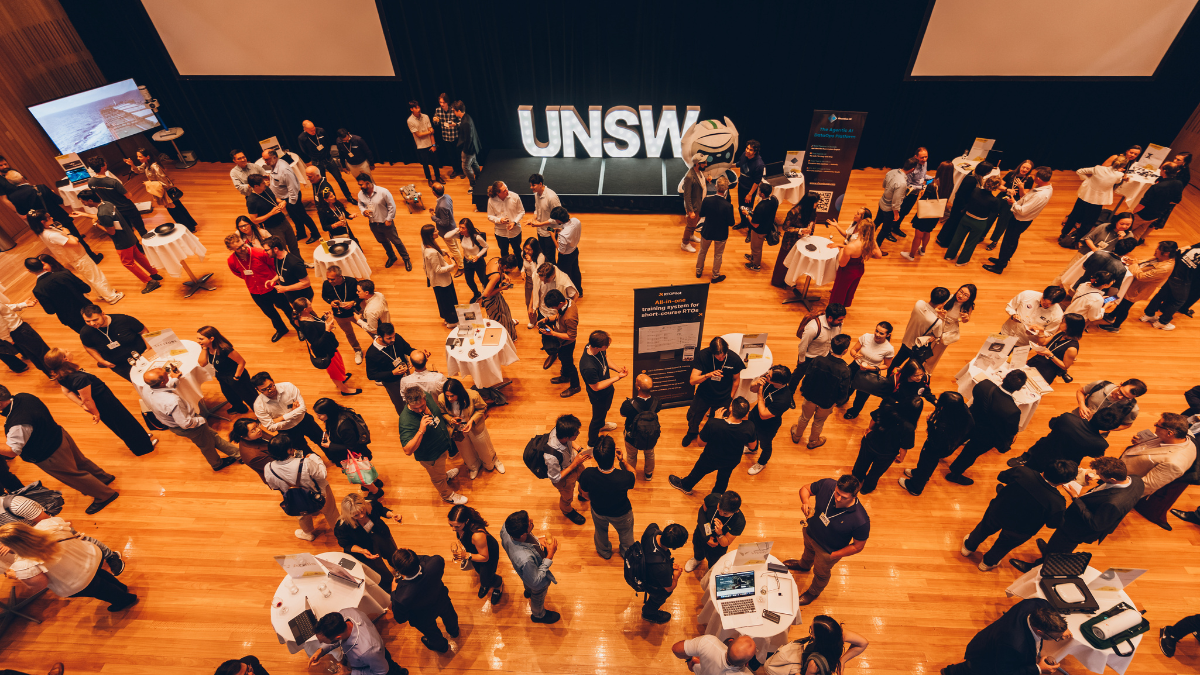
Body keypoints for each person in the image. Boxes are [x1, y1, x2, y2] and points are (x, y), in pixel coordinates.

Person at [1009, 456, 1144, 571]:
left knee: (1061, 549)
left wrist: (1075, 497)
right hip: (1075, 521)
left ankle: (1038, 568)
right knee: (1057, 544)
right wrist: (1096, 479)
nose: (1097, 475)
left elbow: (1095, 524)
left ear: (1113, 479)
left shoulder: (1113, 503)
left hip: (1077, 529)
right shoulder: (1136, 480)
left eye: (1099, 474)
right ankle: (1049, 550)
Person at [0, 387, 118, 513]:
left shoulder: (18, 423)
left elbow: (12, 451)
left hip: (49, 454)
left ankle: (104, 495)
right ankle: (103, 478)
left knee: (73, 476)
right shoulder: (24, 396)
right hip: (60, 436)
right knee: (81, 462)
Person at [962, 460, 1076, 572]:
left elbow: (1001, 477)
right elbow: (1052, 524)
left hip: (999, 511)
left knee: (983, 529)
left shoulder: (1022, 472)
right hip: (1021, 529)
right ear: (1064, 482)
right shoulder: (1058, 502)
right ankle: (987, 563)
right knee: (1004, 546)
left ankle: (968, 547)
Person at [0, 521, 137, 612]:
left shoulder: (24, 564)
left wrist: (16, 575)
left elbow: (40, 584)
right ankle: (121, 588)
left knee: (100, 589)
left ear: (14, 545)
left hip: (76, 580)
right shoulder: (49, 526)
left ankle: (125, 600)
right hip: (88, 557)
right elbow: (71, 529)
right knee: (100, 575)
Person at [43, 349, 154, 457]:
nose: (68, 350)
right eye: (65, 352)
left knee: (124, 421)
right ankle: (143, 447)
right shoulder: (79, 378)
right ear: (65, 359)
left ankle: (142, 437)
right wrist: (94, 412)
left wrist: (81, 405)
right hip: (103, 401)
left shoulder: (62, 374)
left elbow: (66, 391)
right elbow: (87, 399)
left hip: (102, 400)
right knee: (123, 423)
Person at [145, 366, 241, 472]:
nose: (169, 374)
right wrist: (201, 420)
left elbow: (165, 389)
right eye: (166, 375)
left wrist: (175, 379)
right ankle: (217, 464)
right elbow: (186, 423)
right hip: (191, 426)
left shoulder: (150, 391)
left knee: (213, 437)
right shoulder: (173, 401)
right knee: (207, 445)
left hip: (177, 425)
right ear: (163, 382)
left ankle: (239, 455)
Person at [941, 598, 1068, 675]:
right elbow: (1004, 672)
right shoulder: (1015, 645)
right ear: (1040, 631)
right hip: (987, 655)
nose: (1059, 638)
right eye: (1056, 638)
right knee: (972, 669)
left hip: (991, 639)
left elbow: (1048, 606)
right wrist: (1038, 668)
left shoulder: (1036, 605)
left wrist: (1062, 627)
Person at [795, 475, 868, 604]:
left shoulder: (861, 520)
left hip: (828, 551)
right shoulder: (827, 484)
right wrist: (805, 501)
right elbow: (805, 489)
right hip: (810, 532)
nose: (838, 499)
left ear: (854, 496)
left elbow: (858, 546)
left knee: (821, 573)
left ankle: (813, 592)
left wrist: (834, 555)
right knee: (808, 552)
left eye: (844, 497)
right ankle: (804, 565)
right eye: (837, 493)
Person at [945, 370, 1027, 485]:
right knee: (970, 453)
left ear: (1004, 378)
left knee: (957, 439)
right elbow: (1011, 431)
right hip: (986, 436)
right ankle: (954, 474)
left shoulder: (984, 385)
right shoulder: (1012, 411)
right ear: (1019, 389)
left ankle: (943, 453)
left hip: (969, 421)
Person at [72, 189, 164, 291]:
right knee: (139, 256)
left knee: (128, 263)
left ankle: (150, 281)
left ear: (90, 200)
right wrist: (84, 215)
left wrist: (96, 225)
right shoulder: (107, 204)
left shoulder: (103, 214)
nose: (83, 203)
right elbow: (103, 217)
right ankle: (154, 274)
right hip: (129, 235)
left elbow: (111, 232)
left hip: (122, 241)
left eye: (83, 201)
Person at [26, 209, 121, 304]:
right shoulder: (51, 235)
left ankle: (102, 294)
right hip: (78, 257)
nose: (52, 218)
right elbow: (74, 242)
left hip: (74, 257)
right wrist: (68, 233)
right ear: (43, 221)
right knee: (96, 276)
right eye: (49, 217)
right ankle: (111, 297)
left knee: (90, 277)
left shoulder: (44, 231)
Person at [4, 170, 101, 261]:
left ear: (10, 183)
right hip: (59, 217)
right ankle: (92, 257)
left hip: (42, 223)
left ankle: (75, 259)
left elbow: (22, 212)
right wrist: (51, 193)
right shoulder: (40, 187)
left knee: (60, 243)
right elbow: (59, 201)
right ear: (21, 177)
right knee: (76, 237)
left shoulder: (13, 197)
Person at [670, 397, 757, 495]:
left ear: (731, 408)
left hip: (711, 458)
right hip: (732, 460)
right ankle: (715, 498)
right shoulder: (749, 426)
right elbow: (753, 446)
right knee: (723, 479)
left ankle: (685, 486)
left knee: (698, 472)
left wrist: (716, 420)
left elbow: (700, 443)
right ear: (746, 413)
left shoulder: (713, 423)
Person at [263, 434, 340, 541]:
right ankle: (339, 533)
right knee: (331, 513)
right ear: (289, 450)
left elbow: (273, 486)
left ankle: (308, 534)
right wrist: (315, 457)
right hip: (319, 494)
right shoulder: (306, 463)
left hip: (295, 498)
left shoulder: (268, 468)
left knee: (302, 515)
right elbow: (322, 475)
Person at [399, 385, 466, 505]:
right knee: (437, 478)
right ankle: (447, 495)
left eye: (422, 406)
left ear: (424, 397)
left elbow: (437, 414)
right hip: (430, 456)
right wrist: (421, 430)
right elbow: (407, 450)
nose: (419, 410)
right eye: (415, 408)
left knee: (440, 470)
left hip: (441, 446)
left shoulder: (427, 396)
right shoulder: (406, 420)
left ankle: (444, 476)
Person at [983, 166, 1055, 274]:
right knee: (1012, 240)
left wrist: (1013, 203)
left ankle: (999, 267)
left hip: (1020, 219)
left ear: (1039, 179)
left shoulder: (1040, 195)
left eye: (1035, 176)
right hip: (1023, 218)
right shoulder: (1047, 187)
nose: (1033, 177)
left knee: (1008, 242)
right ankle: (1003, 259)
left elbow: (1022, 210)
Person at [899, 391, 973, 495]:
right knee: (930, 463)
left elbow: (935, 439)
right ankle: (920, 474)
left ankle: (915, 487)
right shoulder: (963, 412)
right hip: (948, 446)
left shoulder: (943, 425)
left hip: (935, 447)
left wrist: (929, 423)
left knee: (926, 463)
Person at [390, 549, 459, 653]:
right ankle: (454, 631)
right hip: (441, 600)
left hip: (422, 617)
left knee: (432, 634)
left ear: (399, 571)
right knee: (450, 616)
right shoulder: (435, 563)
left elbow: (400, 619)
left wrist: (393, 590)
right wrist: (412, 559)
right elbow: (428, 558)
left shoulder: (400, 597)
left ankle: (442, 647)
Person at [1012, 407, 1119, 475]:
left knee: (1027, 473)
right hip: (1064, 464)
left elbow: (1051, 424)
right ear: (1109, 429)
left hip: (1044, 451)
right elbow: (1094, 455)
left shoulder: (1067, 418)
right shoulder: (1101, 444)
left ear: (1095, 414)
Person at [225, 234, 291, 342]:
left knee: (287, 308)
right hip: (255, 292)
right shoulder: (231, 261)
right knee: (270, 313)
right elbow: (238, 273)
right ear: (231, 249)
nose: (243, 248)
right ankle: (281, 329)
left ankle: (299, 328)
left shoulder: (260, 253)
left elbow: (275, 267)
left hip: (273, 288)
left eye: (243, 244)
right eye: (239, 248)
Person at [578, 436, 636, 560]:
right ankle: (627, 553)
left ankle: (604, 551)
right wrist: (623, 461)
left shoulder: (587, 474)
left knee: (600, 531)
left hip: (598, 511)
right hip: (622, 513)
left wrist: (595, 499)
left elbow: (583, 494)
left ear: (595, 456)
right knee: (626, 534)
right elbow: (634, 474)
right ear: (614, 455)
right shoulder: (624, 477)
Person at [681, 336, 745, 447]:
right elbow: (692, 381)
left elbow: (736, 380)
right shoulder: (703, 355)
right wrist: (708, 375)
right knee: (693, 416)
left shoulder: (734, 359)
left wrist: (730, 398)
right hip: (703, 394)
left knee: (717, 421)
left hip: (723, 397)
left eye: (723, 356)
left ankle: (710, 436)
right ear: (712, 352)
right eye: (718, 356)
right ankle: (692, 433)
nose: (721, 358)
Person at [1101, 240, 1177, 332]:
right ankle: (1111, 316)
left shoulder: (1165, 268)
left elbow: (1142, 276)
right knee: (1120, 301)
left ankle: (1116, 326)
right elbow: (1143, 263)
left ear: (1166, 253)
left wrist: (1134, 264)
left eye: (1158, 248)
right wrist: (1131, 261)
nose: (1156, 250)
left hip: (1137, 290)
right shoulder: (1159, 258)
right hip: (1131, 284)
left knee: (1124, 306)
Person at [792, 334, 852, 450]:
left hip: (810, 397)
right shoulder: (845, 369)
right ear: (845, 351)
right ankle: (813, 441)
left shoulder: (817, 360)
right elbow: (843, 391)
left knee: (804, 417)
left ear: (831, 346)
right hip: (827, 402)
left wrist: (804, 390)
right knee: (819, 422)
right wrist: (837, 402)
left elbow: (807, 377)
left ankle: (796, 436)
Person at [313, 398, 382, 497]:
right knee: (367, 469)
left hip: (352, 457)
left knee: (360, 477)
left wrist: (330, 445)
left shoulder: (344, 426)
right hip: (358, 454)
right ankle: (375, 481)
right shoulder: (338, 415)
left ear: (329, 412)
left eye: (320, 414)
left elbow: (352, 446)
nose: (318, 417)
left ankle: (375, 491)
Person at [500, 510, 560, 624]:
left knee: (527, 581)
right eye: (529, 523)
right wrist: (550, 555)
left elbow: (504, 542)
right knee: (537, 593)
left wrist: (537, 540)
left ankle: (528, 592)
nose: (531, 521)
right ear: (523, 534)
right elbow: (535, 581)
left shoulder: (507, 527)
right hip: (538, 582)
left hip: (526, 572)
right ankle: (538, 615)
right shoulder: (525, 560)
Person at [293, 298, 362, 396]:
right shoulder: (306, 325)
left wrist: (324, 318)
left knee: (338, 364)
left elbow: (317, 325)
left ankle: (342, 378)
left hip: (329, 345)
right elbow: (316, 343)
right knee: (334, 371)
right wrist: (327, 330)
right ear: (304, 309)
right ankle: (344, 389)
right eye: (309, 304)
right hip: (325, 351)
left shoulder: (308, 315)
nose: (311, 304)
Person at [851, 397, 920, 494]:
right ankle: (867, 488)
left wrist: (869, 429)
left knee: (861, 463)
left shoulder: (888, 408)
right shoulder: (909, 427)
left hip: (871, 442)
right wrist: (901, 457)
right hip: (887, 453)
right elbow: (904, 446)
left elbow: (874, 419)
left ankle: (855, 479)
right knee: (876, 472)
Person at [1119, 412, 1196, 498]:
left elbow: (1146, 485)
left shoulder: (1173, 464)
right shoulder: (1183, 434)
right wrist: (1140, 442)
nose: (1155, 424)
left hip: (1124, 481)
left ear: (1169, 433)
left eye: (1158, 425)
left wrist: (1115, 485)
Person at [251, 372, 326, 459]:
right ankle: (314, 465)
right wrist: (292, 414)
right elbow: (270, 427)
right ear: (257, 389)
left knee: (322, 439)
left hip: (305, 420)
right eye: (264, 390)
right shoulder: (258, 405)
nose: (270, 391)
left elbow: (303, 409)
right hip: (286, 432)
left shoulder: (288, 387)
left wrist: (280, 419)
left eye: (270, 386)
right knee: (300, 452)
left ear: (273, 381)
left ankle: (337, 459)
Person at [310, 609, 408, 675]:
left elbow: (382, 671)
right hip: (373, 655)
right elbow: (335, 638)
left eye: (323, 642)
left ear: (338, 637)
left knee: (392, 670)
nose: (322, 643)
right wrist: (321, 650)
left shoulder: (368, 651)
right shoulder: (348, 612)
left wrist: (351, 672)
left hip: (377, 661)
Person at [439, 377, 502, 479]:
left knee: (484, 447)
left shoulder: (473, 395)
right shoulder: (441, 399)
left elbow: (482, 408)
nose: (449, 399)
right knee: (465, 451)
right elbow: (442, 413)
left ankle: (493, 462)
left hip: (475, 425)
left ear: (459, 392)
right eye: (447, 396)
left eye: (452, 396)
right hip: (457, 429)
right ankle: (473, 467)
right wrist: (451, 419)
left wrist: (472, 420)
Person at [334, 493, 399, 591]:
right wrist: (362, 551)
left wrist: (392, 515)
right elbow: (345, 544)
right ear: (348, 514)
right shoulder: (342, 526)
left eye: (362, 511)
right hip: (365, 546)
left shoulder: (370, 504)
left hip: (380, 534)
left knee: (392, 553)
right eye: (356, 515)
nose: (362, 515)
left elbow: (381, 510)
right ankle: (391, 586)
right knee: (379, 570)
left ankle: (398, 568)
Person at [1060, 156, 1130, 243]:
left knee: (1074, 216)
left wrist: (1087, 181)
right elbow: (1117, 181)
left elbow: (1079, 171)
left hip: (1085, 196)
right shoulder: (1119, 175)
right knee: (1088, 222)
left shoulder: (1098, 169)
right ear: (1122, 166)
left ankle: (1063, 234)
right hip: (1097, 201)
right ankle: (1077, 240)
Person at [125, 147, 197, 230]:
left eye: (140, 156)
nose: (138, 158)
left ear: (147, 157)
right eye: (138, 156)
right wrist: (132, 165)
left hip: (167, 192)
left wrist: (150, 184)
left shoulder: (155, 166)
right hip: (162, 191)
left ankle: (189, 228)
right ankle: (190, 225)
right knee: (176, 209)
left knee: (176, 210)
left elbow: (165, 183)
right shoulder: (146, 164)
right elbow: (138, 171)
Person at [448, 504, 504, 604]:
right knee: (479, 570)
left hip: (488, 554)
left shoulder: (477, 535)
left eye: (457, 526)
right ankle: (485, 584)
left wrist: (467, 555)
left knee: (487, 576)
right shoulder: (462, 527)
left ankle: (498, 585)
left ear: (467, 521)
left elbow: (485, 557)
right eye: (451, 525)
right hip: (476, 551)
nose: (453, 529)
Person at [540, 413, 590, 524]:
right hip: (564, 477)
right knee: (567, 497)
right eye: (576, 433)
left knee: (585, 479)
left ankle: (582, 495)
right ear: (566, 437)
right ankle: (567, 511)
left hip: (573, 462)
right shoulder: (551, 456)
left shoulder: (559, 431)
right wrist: (574, 464)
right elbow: (555, 478)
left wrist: (579, 449)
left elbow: (570, 442)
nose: (578, 433)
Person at [944, 175, 1005, 265]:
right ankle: (961, 261)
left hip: (966, 218)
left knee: (957, 238)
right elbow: (994, 211)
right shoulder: (994, 200)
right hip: (979, 222)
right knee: (971, 243)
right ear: (996, 187)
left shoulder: (975, 190)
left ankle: (949, 255)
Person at [679, 490, 745, 574]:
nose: (720, 514)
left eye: (725, 513)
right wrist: (707, 536)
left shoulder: (739, 521)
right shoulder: (713, 498)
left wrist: (720, 533)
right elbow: (702, 512)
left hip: (717, 545)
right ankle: (697, 559)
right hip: (702, 533)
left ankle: (711, 570)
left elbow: (726, 542)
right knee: (698, 549)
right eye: (719, 508)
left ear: (735, 511)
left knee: (714, 561)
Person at [579, 330, 627, 446]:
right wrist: (617, 377)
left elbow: (605, 358)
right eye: (607, 345)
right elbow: (596, 387)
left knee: (604, 411)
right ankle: (592, 442)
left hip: (607, 390)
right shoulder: (588, 367)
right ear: (597, 346)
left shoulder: (594, 348)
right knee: (596, 419)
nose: (608, 346)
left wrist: (618, 369)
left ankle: (602, 424)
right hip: (598, 396)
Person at [1138, 241, 1199, 331]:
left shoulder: (1195, 247)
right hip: (1183, 279)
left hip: (1174, 272)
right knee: (1179, 301)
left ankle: (1148, 314)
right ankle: (1162, 322)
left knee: (1161, 294)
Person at [262, 149, 319, 244]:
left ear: (274, 157)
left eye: (267, 159)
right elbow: (280, 180)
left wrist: (291, 202)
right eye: (264, 159)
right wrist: (270, 178)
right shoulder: (275, 164)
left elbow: (293, 187)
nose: (265, 162)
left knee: (303, 216)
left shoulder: (284, 170)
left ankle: (315, 234)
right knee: (294, 217)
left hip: (291, 197)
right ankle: (301, 233)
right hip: (285, 198)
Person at [78, 304, 146, 382]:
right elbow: (89, 347)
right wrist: (101, 361)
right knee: (139, 382)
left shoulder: (123, 320)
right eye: (88, 321)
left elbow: (143, 331)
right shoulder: (86, 332)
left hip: (142, 355)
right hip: (120, 365)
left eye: (95, 319)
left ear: (103, 314)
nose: (92, 323)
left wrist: (149, 348)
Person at [356, 174, 411, 270]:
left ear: (368, 183)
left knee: (396, 241)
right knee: (383, 241)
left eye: (361, 185)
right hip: (373, 223)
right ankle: (392, 257)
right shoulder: (360, 194)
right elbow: (360, 204)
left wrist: (389, 219)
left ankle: (406, 259)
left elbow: (392, 206)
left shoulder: (383, 192)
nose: (360, 187)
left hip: (386, 223)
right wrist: (363, 211)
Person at [903, 160, 955, 261]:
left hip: (926, 212)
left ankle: (911, 255)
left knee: (918, 235)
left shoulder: (933, 185)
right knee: (927, 232)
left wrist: (923, 193)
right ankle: (923, 250)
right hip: (936, 213)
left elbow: (923, 200)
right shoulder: (950, 184)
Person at [843, 322, 896, 419]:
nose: (877, 334)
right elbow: (853, 350)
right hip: (856, 366)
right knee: (847, 386)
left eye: (881, 333)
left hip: (871, 371)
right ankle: (843, 399)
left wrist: (869, 368)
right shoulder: (866, 337)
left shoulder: (889, 349)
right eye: (876, 331)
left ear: (888, 335)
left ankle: (854, 411)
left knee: (862, 395)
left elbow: (886, 365)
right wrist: (854, 355)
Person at [746, 364, 792, 475]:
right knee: (752, 434)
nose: (766, 376)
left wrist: (760, 392)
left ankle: (762, 463)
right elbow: (752, 389)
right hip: (754, 414)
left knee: (765, 445)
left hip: (768, 425)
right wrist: (756, 384)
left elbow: (763, 414)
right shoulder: (768, 380)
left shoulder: (784, 399)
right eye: (768, 373)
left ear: (779, 383)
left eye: (769, 376)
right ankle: (752, 448)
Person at [789, 303, 847, 391]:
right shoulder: (813, 328)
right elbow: (803, 345)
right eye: (839, 320)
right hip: (809, 357)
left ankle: (804, 388)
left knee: (813, 375)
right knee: (797, 376)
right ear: (830, 318)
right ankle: (790, 393)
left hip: (824, 356)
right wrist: (801, 359)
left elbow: (835, 338)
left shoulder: (838, 324)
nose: (842, 322)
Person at [891, 288, 949, 375]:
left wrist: (936, 312)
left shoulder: (919, 303)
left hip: (906, 340)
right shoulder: (937, 321)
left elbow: (926, 311)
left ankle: (888, 378)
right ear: (943, 302)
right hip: (918, 348)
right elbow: (937, 335)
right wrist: (940, 317)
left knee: (895, 363)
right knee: (910, 370)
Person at [935, 161, 994, 249]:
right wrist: (963, 208)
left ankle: (942, 238)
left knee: (952, 221)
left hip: (961, 204)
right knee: (954, 222)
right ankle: (944, 241)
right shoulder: (971, 180)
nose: (989, 173)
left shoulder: (974, 175)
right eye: (988, 171)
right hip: (960, 205)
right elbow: (961, 195)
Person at [84, 155, 147, 237]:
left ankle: (137, 248)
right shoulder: (112, 182)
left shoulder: (91, 182)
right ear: (103, 166)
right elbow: (128, 196)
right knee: (141, 228)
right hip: (128, 208)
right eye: (105, 163)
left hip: (114, 211)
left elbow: (98, 196)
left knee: (128, 231)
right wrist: (130, 193)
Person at [25, 257, 90, 333]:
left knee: (90, 338)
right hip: (87, 308)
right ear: (42, 264)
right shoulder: (65, 273)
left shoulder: (38, 290)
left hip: (70, 318)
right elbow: (86, 289)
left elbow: (50, 311)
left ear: (29, 271)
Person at [639, 521, 687, 624]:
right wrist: (676, 576)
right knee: (659, 597)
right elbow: (669, 588)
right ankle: (648, 614)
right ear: (674, 548)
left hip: (644, 566)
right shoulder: (662, 568)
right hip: (651, 581)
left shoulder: (652, 529)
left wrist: (668, 565)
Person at [982, 159, 1035, 250]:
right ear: (1020, 166)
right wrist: (1007, 189)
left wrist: (1021, 187)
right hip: (1002, 197)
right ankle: (982, 235)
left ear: (1030, 170)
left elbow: (1023, 196)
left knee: (1003, 221)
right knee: (990, 217)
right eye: (1024, 167)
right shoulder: (1011, 174)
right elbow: (999, 186)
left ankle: (994, 241)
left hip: (1013, 201)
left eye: (1027, 168)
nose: (1025, 169)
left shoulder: (1029, 180)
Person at [829, 217, 881, 306]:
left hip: (848, 272)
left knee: (839, 291)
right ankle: (844, 305)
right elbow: (879, 255)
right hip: (859, 269)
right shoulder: (869, 243)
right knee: (850, 289)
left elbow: (842, 264)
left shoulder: (851, 246)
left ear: (860, 229)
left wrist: (841, 250)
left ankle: (835, 311)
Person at [364, 322, 414, 414]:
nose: (393, 339)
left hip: (406, 375)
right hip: (392, 383)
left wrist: (419, 355)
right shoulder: (371, 354)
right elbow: (371, 375)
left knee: (411, 396)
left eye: (393, 336)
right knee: (400, 402)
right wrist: (392, 373)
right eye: (389, 338)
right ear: (379, 336)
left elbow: (408, 349)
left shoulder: (397, 338)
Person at [619, 374, 662, 480]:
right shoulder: (657, 402)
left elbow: (622, 414)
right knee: (649, 454)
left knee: (631, 455)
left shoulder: (628, 404)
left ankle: (631, 474)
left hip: (632, 437)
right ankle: (648, 474)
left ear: (638, 387)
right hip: (650, 436)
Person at [245, 174, 300, 257]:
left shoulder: (266, 189)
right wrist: (271, 213)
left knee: (294, 245)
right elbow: (254, 220)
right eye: (263, 183)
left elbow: (274, 199)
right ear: (256, 186)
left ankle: (300, 263)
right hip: (273, 227)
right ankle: (288, 267)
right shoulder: (251, 201)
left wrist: (282, 202)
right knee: (282, 249)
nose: (266, 184)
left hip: (283, 220)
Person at [540, 289, 581, 398]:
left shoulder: (570, 317)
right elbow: (559, 316)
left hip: (567, 343)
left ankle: (575, 386)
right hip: (561, 339)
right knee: (563, 359)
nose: (553, 309)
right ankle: (565, 376)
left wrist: (552, 333)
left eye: (554, 307)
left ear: (560, 303)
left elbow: (572, 336)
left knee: (569, 363)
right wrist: (547, 319)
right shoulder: (567, 301)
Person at [297, 121, 353, 200]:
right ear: (305, 130)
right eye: (311, 130)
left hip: (329, 159)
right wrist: (315, 156)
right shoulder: (302, 138)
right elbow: (304, 151)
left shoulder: (321, 131)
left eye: (314, 129)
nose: (314, 131)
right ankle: (331, 200)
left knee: (340, 180)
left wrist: (326, 153)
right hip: (317, 162)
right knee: (322, 183)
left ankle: (349, 196)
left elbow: (328, 142)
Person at [1130, 162, 1184, 243]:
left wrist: (1132, 212)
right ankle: (1131, 246)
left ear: (1165, 170)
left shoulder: (1156, 187)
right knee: (1138, 233)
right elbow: (1176, 201)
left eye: (1161, 168)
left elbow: (1143, 204)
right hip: (1157, 215)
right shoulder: (1179, 183)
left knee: (1128, 229)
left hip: (1143, 214)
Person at [773, 193, 820, 286]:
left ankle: (790, 281)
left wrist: (811, 227)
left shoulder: (812, 211)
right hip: (790, 242)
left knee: (795, 263)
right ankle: (778, 282)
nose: (817, 205)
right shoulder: (794, 212)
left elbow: (812, 222)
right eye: (815, 203)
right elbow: (785, 228)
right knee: (784, 263)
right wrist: (800, 230)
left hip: (803, 242)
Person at [0, 293, 51, 378]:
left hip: (17, 331)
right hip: (19, 330)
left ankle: (49, 373)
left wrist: (23, 305)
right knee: (43, 352)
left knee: (32, 354)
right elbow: (1, 326)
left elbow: (4, 308)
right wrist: (7, 339)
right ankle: (57, 373)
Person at [1026, 312, 1085, 384]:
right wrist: (1041, 331)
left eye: (1063, 322)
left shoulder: (1072, 348)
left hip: (1047, 371)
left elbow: (1065, 366)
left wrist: (1050, 355)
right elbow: (1043, 342)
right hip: (1036, 361)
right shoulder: (1061, 333)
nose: (1060, 323)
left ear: (1071, 327)